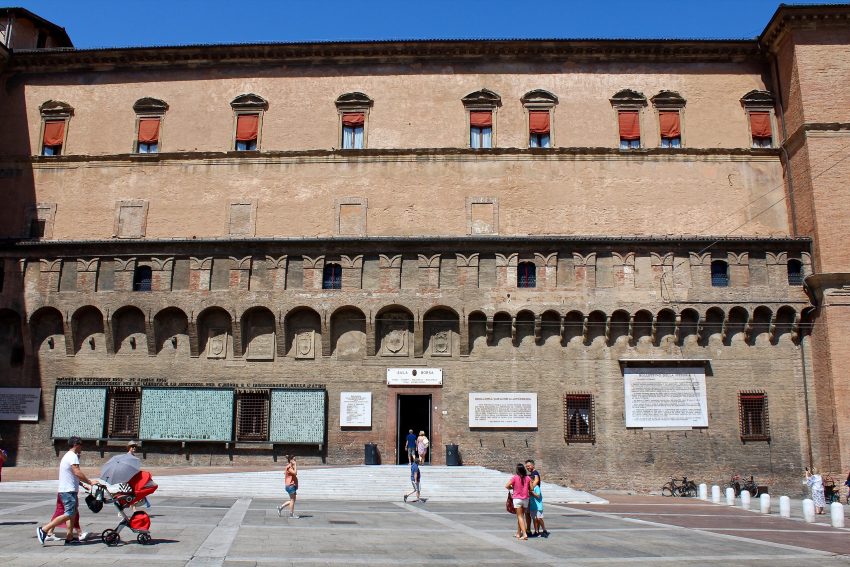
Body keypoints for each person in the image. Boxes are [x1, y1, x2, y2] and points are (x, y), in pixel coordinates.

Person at [36, 437, 100, 546]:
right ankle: (44, 529)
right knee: (69, 513)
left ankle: (69, 537)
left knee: (72, 514)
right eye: (81, 444)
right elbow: (77, 472)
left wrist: (83, 485)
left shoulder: (68, 456)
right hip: (68, 491)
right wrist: (90, 482)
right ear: (76, 444)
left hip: (68, 489)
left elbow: (72, 476)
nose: (82, 447)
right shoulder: (72, 456)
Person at [505, 463, 531, 540]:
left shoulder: (515, 478)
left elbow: (506, 486)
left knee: (520, 517)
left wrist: (512, 487)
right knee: (521, 517)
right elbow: (531, 488)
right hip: (525, 499)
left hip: (517, 499)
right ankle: (518, 533)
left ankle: (524, 534)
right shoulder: (528, 478)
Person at [277, 455, 299, 519]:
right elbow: (295, 473)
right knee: (292, 500)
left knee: (292, 500)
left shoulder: (289, 466)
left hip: (291, 485)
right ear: (291, 460)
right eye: (294, 460)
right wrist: (295, 465)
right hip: (290, 486)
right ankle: (291, 514)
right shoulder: (289, 467)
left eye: (295, 460)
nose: (295, 461)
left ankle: (280, 508)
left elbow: (287, 473)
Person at [524, 459, 541, 536]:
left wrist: (530, 488)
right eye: (526, 466)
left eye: (529, 466)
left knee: (535, 514)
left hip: (534, 497)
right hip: (530, 497)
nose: (528, 467)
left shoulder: (535, 473)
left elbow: (536, 480)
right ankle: (529, 530)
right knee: (529, 514)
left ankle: (536, 531)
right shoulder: (531, 474)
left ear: (533, 465)